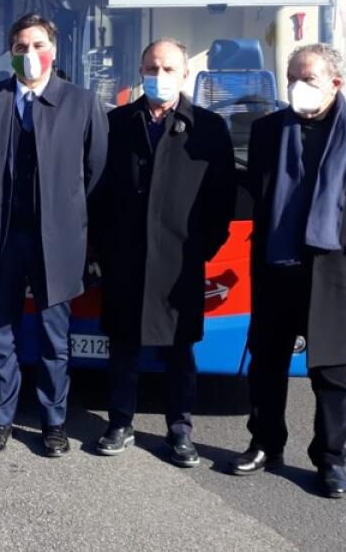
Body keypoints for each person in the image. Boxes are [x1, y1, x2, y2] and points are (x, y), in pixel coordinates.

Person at [232, 43, 346, 498]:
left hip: (334, 272)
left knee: (332, 374)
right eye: (291, 77)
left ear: (335, 84)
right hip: (277, 268)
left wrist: (343, 241)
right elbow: (256, 191)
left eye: (308, 79)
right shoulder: (268, 131)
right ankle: (266, 443)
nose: (297, 87)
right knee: (266, 365)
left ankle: (331, 460)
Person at [0, 12, 108, 457]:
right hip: (3, 239)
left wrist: (66, 217)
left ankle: (53, 422)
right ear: (10, 53)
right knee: (0, 335)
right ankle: (1, 420)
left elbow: (95, 172)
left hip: (57, 241)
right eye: (21, 47)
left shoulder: (82, 102)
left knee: (53, 339)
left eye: (38, 45)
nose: (30, 54)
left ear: (54, 50)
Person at [90, 39, 236, 466]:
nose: (160, 76)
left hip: (180, 262)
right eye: (152, 68)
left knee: (179, 351)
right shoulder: (115, 123)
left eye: (169, 68)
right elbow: (96, 192)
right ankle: (119, 422)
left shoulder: (209, 128)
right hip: (124, 259)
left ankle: (180, 431)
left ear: (185, 74)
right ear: (140, 71)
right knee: (123, 347)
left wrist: (199, 250)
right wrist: (103, 247)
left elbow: (221, 199)